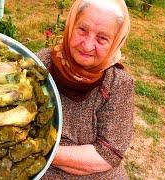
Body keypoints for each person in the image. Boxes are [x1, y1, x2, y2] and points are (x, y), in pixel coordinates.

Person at [36, 0, 134, 179]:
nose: (87, 46)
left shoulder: (118, 84)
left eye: (102, 38)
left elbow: (107, 155)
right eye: (82, 30)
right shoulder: (41, 64)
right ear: (71, 25)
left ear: (116, 41)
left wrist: (37, 149)